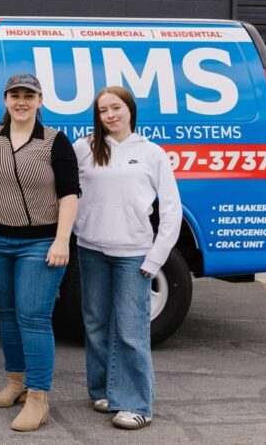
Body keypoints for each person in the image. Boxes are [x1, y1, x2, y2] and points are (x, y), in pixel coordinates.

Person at [0, 73, 79, 432]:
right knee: (7, 313)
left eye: (29, 95)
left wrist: (61, 240)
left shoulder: (55, 141)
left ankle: (38, 397)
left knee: (34, 317)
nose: (21, 101)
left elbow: (70, 194)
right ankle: (16, 382)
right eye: (15, 95)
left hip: (39, 243)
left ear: (40, 101)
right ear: (6, 100)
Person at [72, 86, 182, 430]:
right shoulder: (84, 148)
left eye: (116, 108)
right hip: (91, 249)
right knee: (95, 323)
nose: (110, 115)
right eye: (103, 110)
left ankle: (137, 404)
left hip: (133, 253)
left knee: (132, 329)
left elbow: (171, 209)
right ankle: (105, 391)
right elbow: (66, 191)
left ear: (130, 109)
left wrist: (155, 257)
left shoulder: (151, 153)